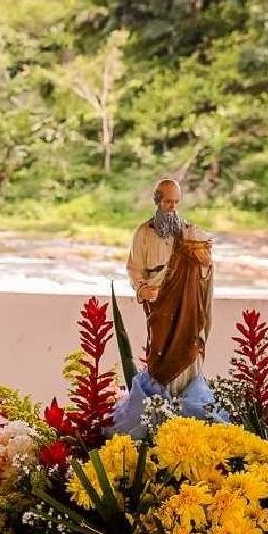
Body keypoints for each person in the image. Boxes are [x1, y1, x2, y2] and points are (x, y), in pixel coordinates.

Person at [113, 178, 219, 434]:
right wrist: (142, 289)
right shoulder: (144, 233)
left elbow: (203, 265)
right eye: (168, 202)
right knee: (159, 352)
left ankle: (184, 397)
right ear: (158, 201)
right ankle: (160, 403)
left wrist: (204, 261)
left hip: (185, 300)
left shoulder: (187, 232)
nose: (172, 207)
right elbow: (134, 268)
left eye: (176, 202)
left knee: (188, 342)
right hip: (158, 300)